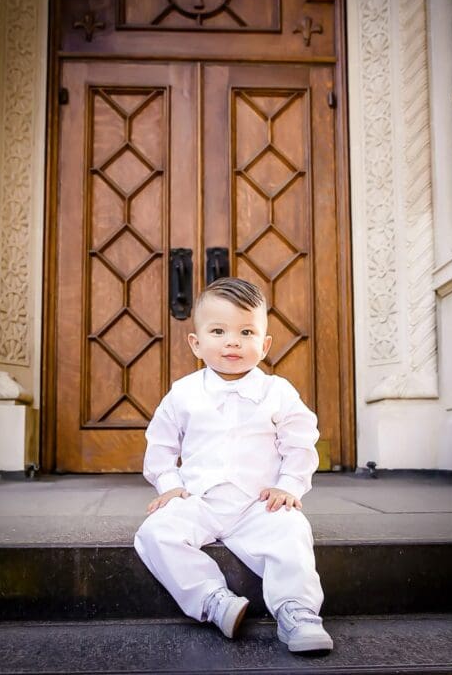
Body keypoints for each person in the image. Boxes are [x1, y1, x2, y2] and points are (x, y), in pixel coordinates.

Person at [134, 277, 332, 652]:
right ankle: (213, 600)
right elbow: (160, 444)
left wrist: (289, 485)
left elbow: (301, 441)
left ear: (265, 344)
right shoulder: (184, 393)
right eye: (218, 331)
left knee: (291, 531)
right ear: (196, 342)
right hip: (199, 501)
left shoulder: (278, 392)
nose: (232, 341)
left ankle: (298, 612)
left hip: (257, 504)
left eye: (246, 331)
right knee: (154, 533)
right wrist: (169, 484)